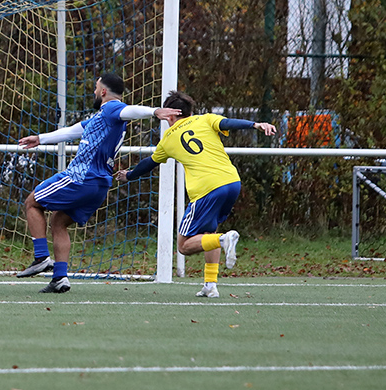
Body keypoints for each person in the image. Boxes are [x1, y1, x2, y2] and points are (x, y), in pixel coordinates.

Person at [14, 73, 179, 293]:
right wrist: (40, 138)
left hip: (81, 177)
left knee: (32, 202)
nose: (93, 91)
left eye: (95, 87)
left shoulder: (112, 109)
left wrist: (154, 112)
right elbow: (71, 131)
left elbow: (128, 110)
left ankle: (41, 257)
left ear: (103, 91)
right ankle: (60, 278)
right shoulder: (100, 119)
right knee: (59, 221)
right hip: (99, 185)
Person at [115, 91, 277, 298]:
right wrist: (255, 125)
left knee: (184, 245)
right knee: (208, 234)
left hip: (206, 190)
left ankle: (224, 240)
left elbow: (149, 164)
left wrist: (129, 175)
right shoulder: (206, 119)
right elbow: (228, 123)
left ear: (172, 114)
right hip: (232, 182)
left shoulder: (168, 139)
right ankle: (211, 284)